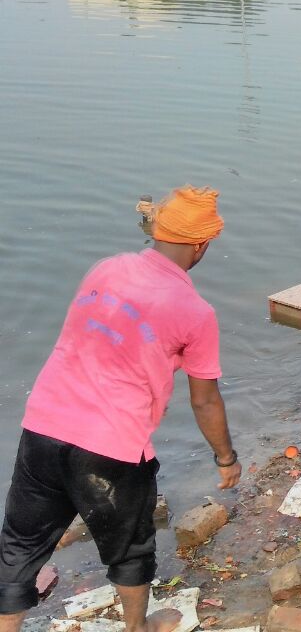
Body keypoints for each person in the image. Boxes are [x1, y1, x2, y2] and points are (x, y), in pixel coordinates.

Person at [0, 186, 240, 632]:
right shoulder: (196, 311)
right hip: (111, 446)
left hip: (43, 424)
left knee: (20, 543)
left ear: (158, 231)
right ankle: (137, 627)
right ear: (202, 245)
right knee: (130, 546)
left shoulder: (106, 268)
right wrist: (226, 457)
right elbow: (204, 399)